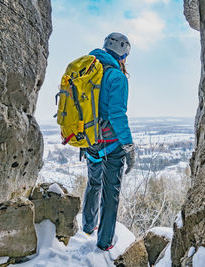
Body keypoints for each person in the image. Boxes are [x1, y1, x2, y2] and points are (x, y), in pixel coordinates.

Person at [81, 32, 135, 251]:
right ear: (123, 54)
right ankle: (104, 243)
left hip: (89, 139)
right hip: (111, 144)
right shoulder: (117, 77)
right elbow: (117, 116)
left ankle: (87, 226)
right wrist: (129, 147)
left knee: (94, 182)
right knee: (110, 192)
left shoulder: (87, 70)